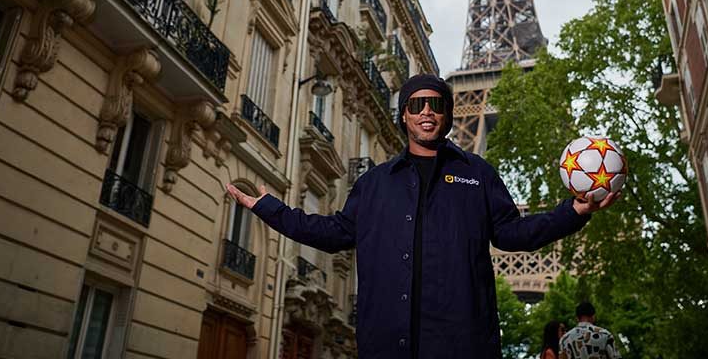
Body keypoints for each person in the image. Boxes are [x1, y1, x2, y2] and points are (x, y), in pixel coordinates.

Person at [226, 74, 619, 358]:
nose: (427, 112)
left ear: (449, 115)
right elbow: (333, 232)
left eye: (437, 104)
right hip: (386, 344)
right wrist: (268, 207)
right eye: (417, 105)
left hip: (462, 344)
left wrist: (574, 211)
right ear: (404, 116)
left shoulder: (477, 173)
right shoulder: (375, 183)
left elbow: (512, 234)